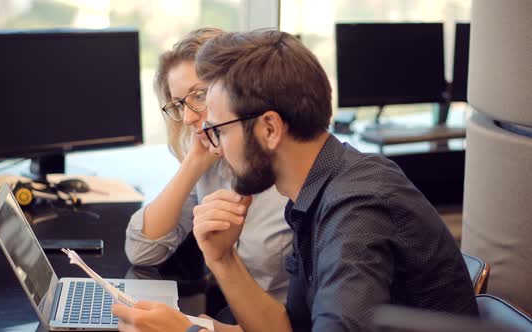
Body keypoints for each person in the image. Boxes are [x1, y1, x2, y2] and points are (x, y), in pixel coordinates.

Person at [114, 29, 478, 332]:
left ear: (269, 128)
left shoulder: (357, 208)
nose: (215, 144)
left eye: (221, 130)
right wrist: (223, 258)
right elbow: (289, 327)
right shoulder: (313, 191)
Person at [124, 28, 293, 308]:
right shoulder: (214, 166)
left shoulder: (291, 177)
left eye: (199, 95)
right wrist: (192, 164)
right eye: (179, 104)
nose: (189, 117)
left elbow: (307, 317)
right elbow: (142, 251)